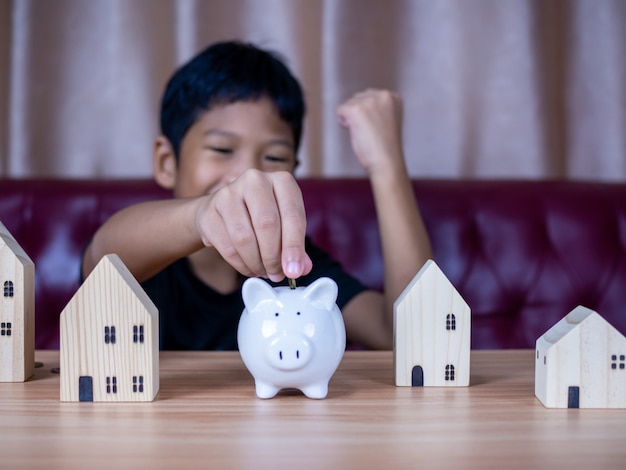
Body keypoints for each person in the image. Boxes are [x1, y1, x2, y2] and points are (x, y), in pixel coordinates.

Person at [82, 40, 432, 350]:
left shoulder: (296, 266)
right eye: (221, 148)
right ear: (166, 161)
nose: (248, 176)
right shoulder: (146, 251)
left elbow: (404, 337)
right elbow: (101, 259)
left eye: (274, 157)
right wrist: (203, 215)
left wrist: (387, 165)